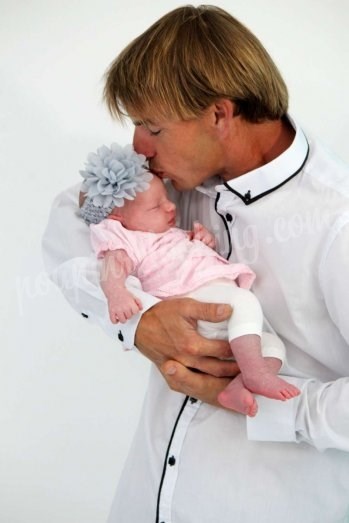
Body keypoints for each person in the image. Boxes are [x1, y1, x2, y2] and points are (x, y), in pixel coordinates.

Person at [42, 5, 349, 522]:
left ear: (218, 115)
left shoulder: (336, 223)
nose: (138, 147)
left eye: (152, 127)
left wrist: (276, 407)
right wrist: (141, 323)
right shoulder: (172, 182)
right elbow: (68, 223)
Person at [79, 144, 300, 416]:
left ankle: (237, 385)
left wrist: (203, 242)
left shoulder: (167, 234)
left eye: (166, 198)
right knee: (245, 301)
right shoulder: (129, 242)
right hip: (194, 303)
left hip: (216, 314)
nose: (170, 206)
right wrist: (117, 295)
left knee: (272, 346)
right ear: (117, 218)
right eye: (156, 207)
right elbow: (112, 267)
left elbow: (191, 258)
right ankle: (255, 375)